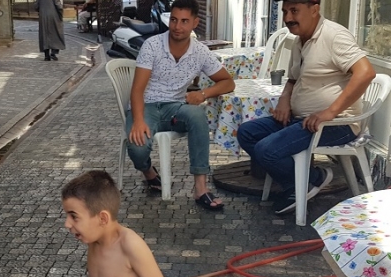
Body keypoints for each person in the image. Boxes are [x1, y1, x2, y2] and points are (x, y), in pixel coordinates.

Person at [237, 0, 375, 215]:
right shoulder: (300, 40)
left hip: (336, 124)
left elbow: (365, 73)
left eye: (294, 11)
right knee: (247, 132)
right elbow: (293, 79)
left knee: (266, 149)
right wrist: (285, 100)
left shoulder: (334, 35)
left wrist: (329, 112)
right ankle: (309, 180)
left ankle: (305, 183)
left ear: (314, 9)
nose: (287, 18)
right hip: (301, 119)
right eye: (284, 11)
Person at [125, 0, 235, 211]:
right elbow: (137, 90)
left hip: (175, 107)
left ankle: (201, 188)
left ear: (195, 22)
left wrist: (203, 94)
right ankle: (149, 172)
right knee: (137, 149)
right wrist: (138, 120)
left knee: (197, 116)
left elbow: (228, 82)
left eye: (184, 21)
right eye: (174, 20)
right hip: (146, 106)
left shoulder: (200, 52)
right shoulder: (153, 45)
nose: (177, 26)